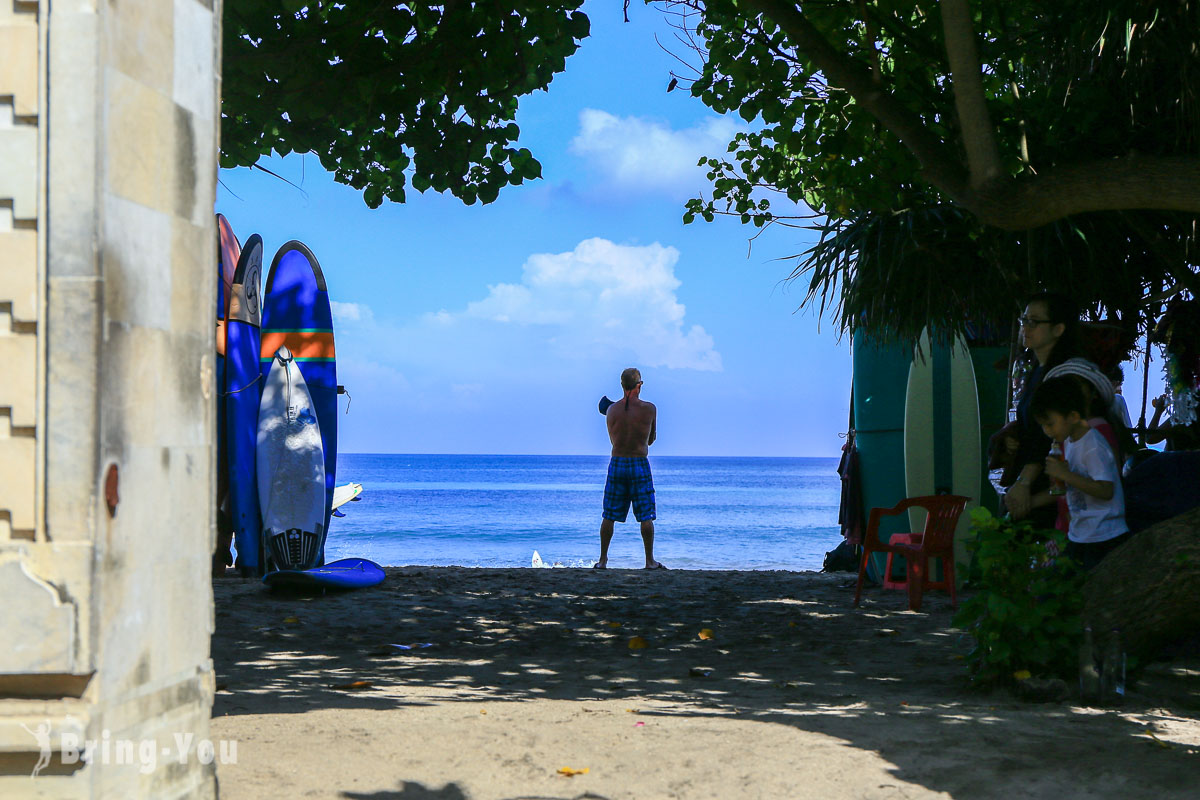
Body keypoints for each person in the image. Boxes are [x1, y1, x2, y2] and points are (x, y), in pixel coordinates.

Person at [1031, 377, 1131, 570]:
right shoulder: (1068, 442)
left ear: (1073, 417)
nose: (1047, 431)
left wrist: (1066, 475)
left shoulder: (1093, 444)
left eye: (1050, 424)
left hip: (1105, 535)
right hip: (1081, 533)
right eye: (1043, 425)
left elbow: (1106, 490)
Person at [1003, 293, 1084, 527]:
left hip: (1054, 486)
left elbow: (1051, 437)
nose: (1026, 327)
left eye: (1035, 321)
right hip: (1034, 481)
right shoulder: (1036, 372)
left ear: (1059, 329)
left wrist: (1025, 483)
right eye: (1024, 320)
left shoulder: (1065, 375)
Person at [595, 367, 666, 570]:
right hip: (639, 462)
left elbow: (613, 438)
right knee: (645, 515)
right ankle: (649, 561)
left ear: (621, 385)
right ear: (639, 385)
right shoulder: (649, 408)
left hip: (617, 462)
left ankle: (603, 560)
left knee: (608, 514)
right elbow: (651, 440)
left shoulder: (611, 410)